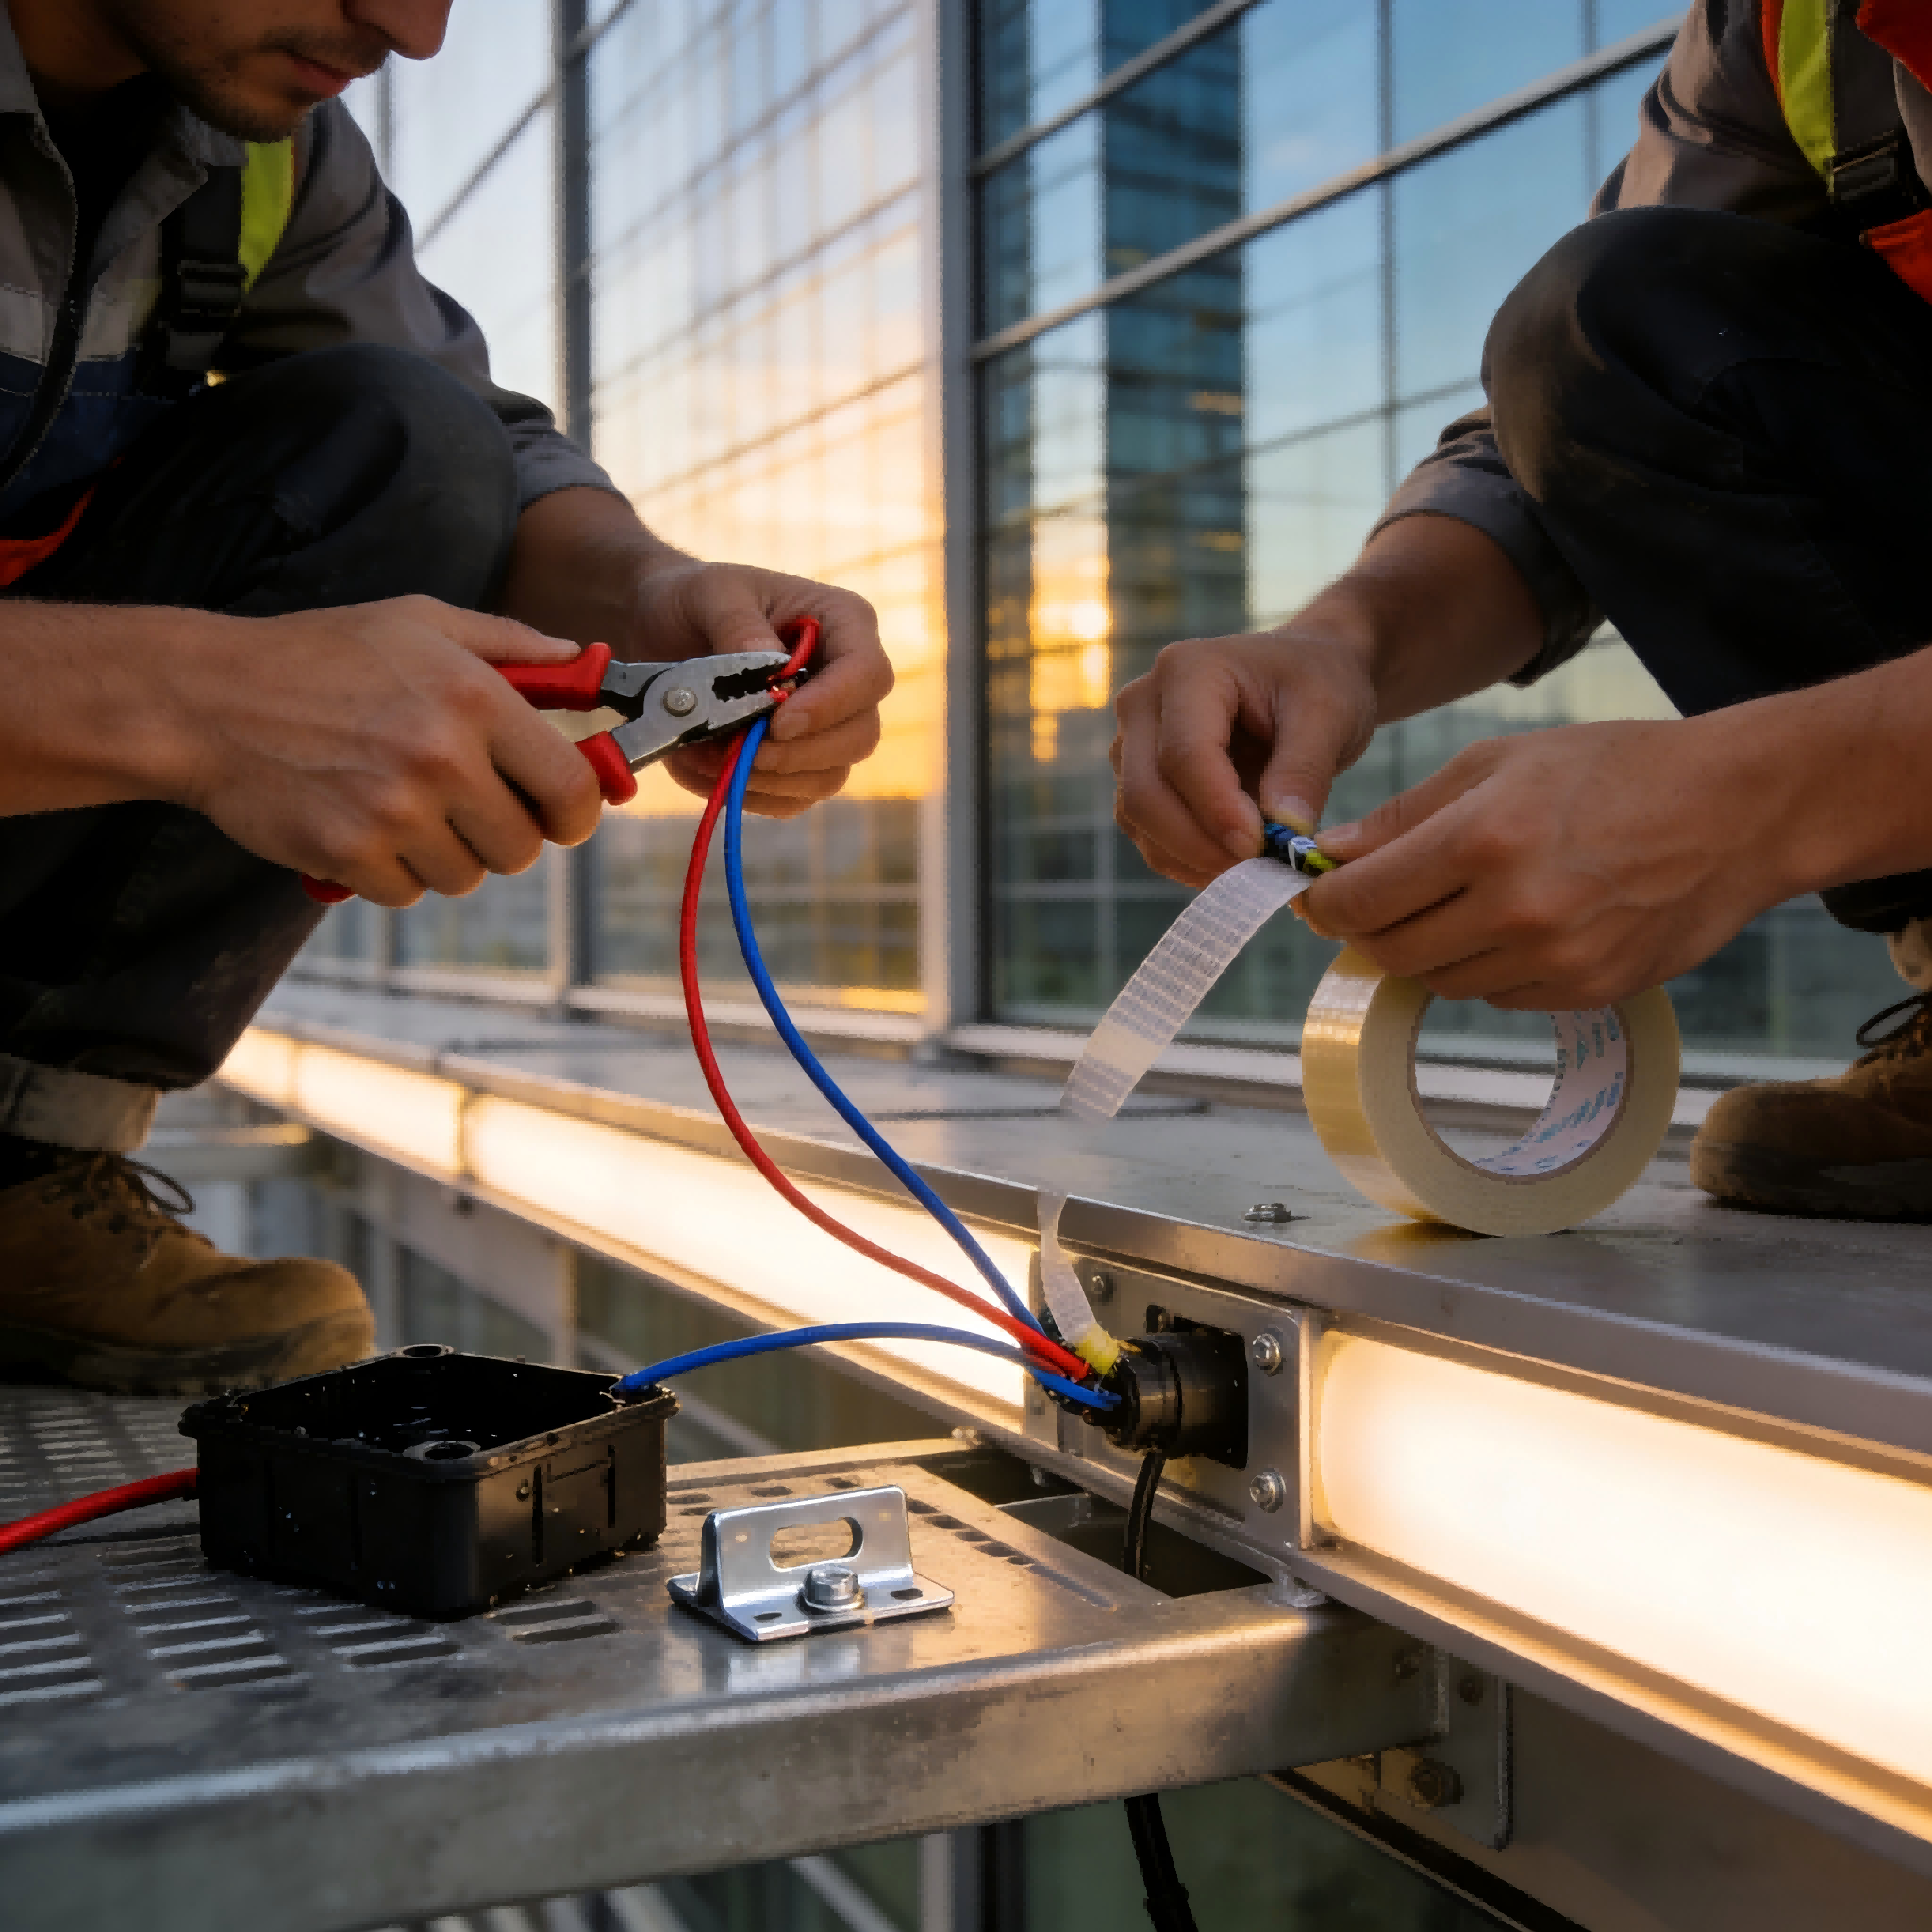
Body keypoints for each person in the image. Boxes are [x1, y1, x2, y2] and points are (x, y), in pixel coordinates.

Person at [0, 0, 893, 1393]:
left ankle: (16, 1166)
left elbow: (477, 448)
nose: (409, 30)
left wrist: (656, 597)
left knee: (406, 437)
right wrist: (202, 706)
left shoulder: (261, 144)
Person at [1115, 0, 1932, 1222]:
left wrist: (1747, 800)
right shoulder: (1786, 28)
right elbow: (1580, 409)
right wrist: (1342, 643)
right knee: (1607, 313)